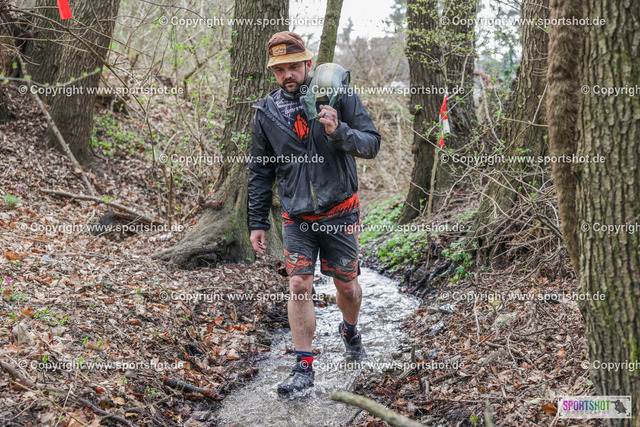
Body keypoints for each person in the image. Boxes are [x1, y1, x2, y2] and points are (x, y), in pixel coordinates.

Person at [247, 31, 381, 395]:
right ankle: (303, 367)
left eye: (293, 66)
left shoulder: (338, 94)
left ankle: (349, 330)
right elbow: (260, 171)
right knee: (298, 284)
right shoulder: (266, 112)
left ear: (307, 63)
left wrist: (339, 131)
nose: (287, 75)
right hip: (296, 216)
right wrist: (257, 221)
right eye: (279, 70)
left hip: (339, 211)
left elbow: (372, 144)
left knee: (347, 286)